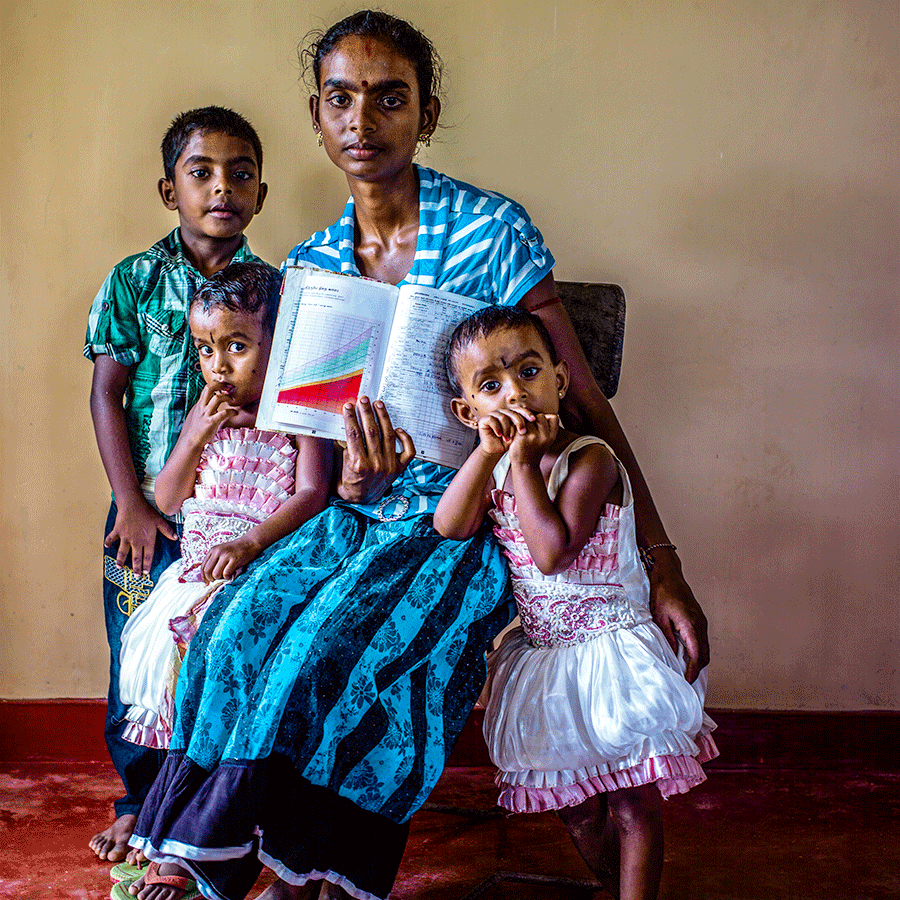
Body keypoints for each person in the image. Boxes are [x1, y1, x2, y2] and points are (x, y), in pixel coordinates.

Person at [128, 11, 709, 900]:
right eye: (340, 100)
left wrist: (662, 563)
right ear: (318, 118)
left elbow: (582, 398)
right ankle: (242, 858)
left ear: (425, 114)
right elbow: (321, 465)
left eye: (389, 98)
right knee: (236, 630)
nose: (363, 120)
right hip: (350, 517)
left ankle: (310, 867)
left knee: (334, 647)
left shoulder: (490, 231)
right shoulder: (312, 268)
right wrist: (358, 476)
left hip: (466, 527)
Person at [435, 306, 718, 900]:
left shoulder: (590, 459)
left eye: (529, 371)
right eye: (491, 386)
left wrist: (518, 465)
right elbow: (450, 525)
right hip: (547, 659)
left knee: (631, 800)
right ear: (468, 413)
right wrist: (487, 458)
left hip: (612, 652)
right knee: (576, 807)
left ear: (560, 381)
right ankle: (614, 886)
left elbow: (551, 554)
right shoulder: (492, 466)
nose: (516, 393)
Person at [83, 106, 269, 863]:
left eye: (240, 173)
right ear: (170, 190)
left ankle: (208, 814)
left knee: (224, 659)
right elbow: (107, 394)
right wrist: (130, 502)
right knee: (139, 656)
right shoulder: (133, 281)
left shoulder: (276, 290)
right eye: (201, 172)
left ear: (261, 191)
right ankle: (139, 800)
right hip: (153, 511)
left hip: (245, 511)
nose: (222, 187)